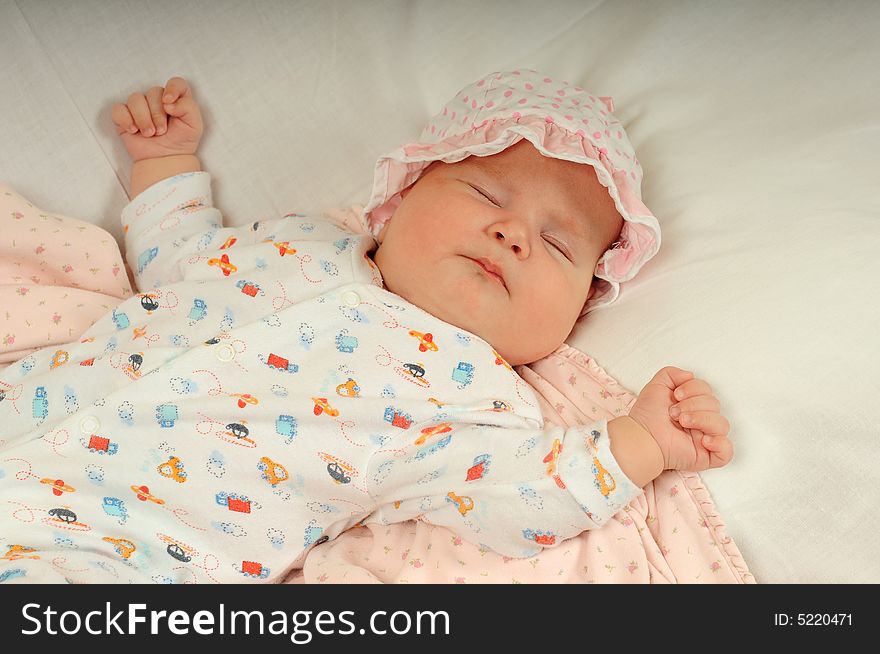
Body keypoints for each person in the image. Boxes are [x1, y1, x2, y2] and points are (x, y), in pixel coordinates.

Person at [0, 70, 731, 583]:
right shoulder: (301, 243)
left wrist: (641, 442)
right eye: (484, 192)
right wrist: (166, 164)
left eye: (560, 245)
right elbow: (182, 262)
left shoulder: (477, 401)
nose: (513, 234)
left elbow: (525, 499)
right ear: (398, 202)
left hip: (111, 552)